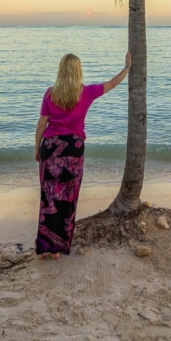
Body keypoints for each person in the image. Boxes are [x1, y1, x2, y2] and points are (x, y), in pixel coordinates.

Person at [34, 50, 131, 259]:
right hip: (73, 149)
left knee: (48, 196)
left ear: (61, 71)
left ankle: (46, 246)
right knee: (68, 197)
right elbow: (113, 83)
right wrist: (127, 67)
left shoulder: (50, 93)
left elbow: (42, 123)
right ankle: (59, 247)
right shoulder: (86, 92)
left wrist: (37, 148)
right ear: (78, 72)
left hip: (50, 147)